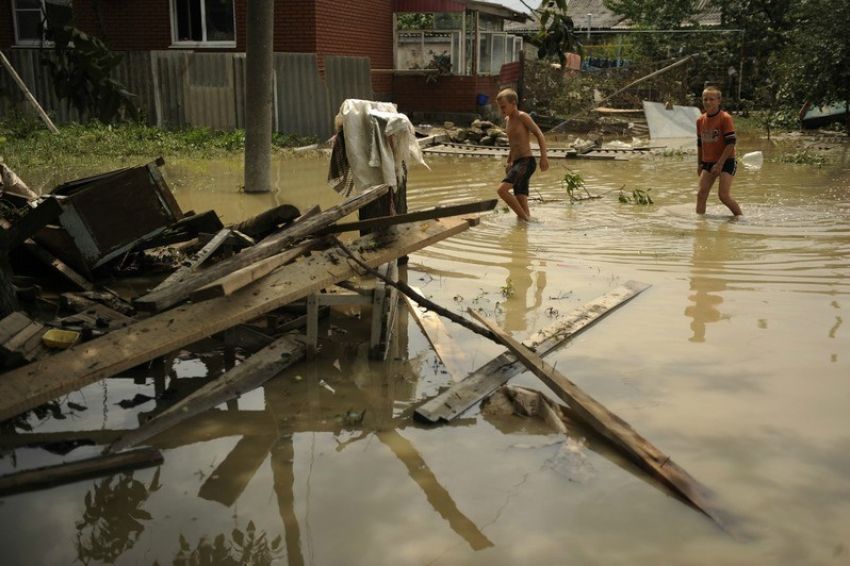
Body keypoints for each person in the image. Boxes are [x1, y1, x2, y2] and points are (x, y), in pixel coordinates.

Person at [495, 88, 549, 221]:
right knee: (521, 202)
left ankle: (527, 219)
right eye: (500, 108)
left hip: (526, 161)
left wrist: (544, 157)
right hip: (517, 162)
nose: (502, 111)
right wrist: (509, 161)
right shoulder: (508, 120)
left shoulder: (522, 117)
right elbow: (513, 144)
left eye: (503, 107)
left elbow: (539, 134)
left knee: (501, 191)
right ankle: (525, 228)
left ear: (513, 104)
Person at [696, 86, 742, 216]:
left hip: (726, 161)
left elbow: (731, 143)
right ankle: (700, 224)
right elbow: (700, 144)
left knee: (723, 196)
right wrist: (699, 164)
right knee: (701, 194)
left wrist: (720, 164)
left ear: (718, 101)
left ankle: (740, 218)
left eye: (711, 99)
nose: (708, 102)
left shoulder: (725, 118)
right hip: (708, 162)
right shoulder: (700, 120)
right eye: (705, 99)